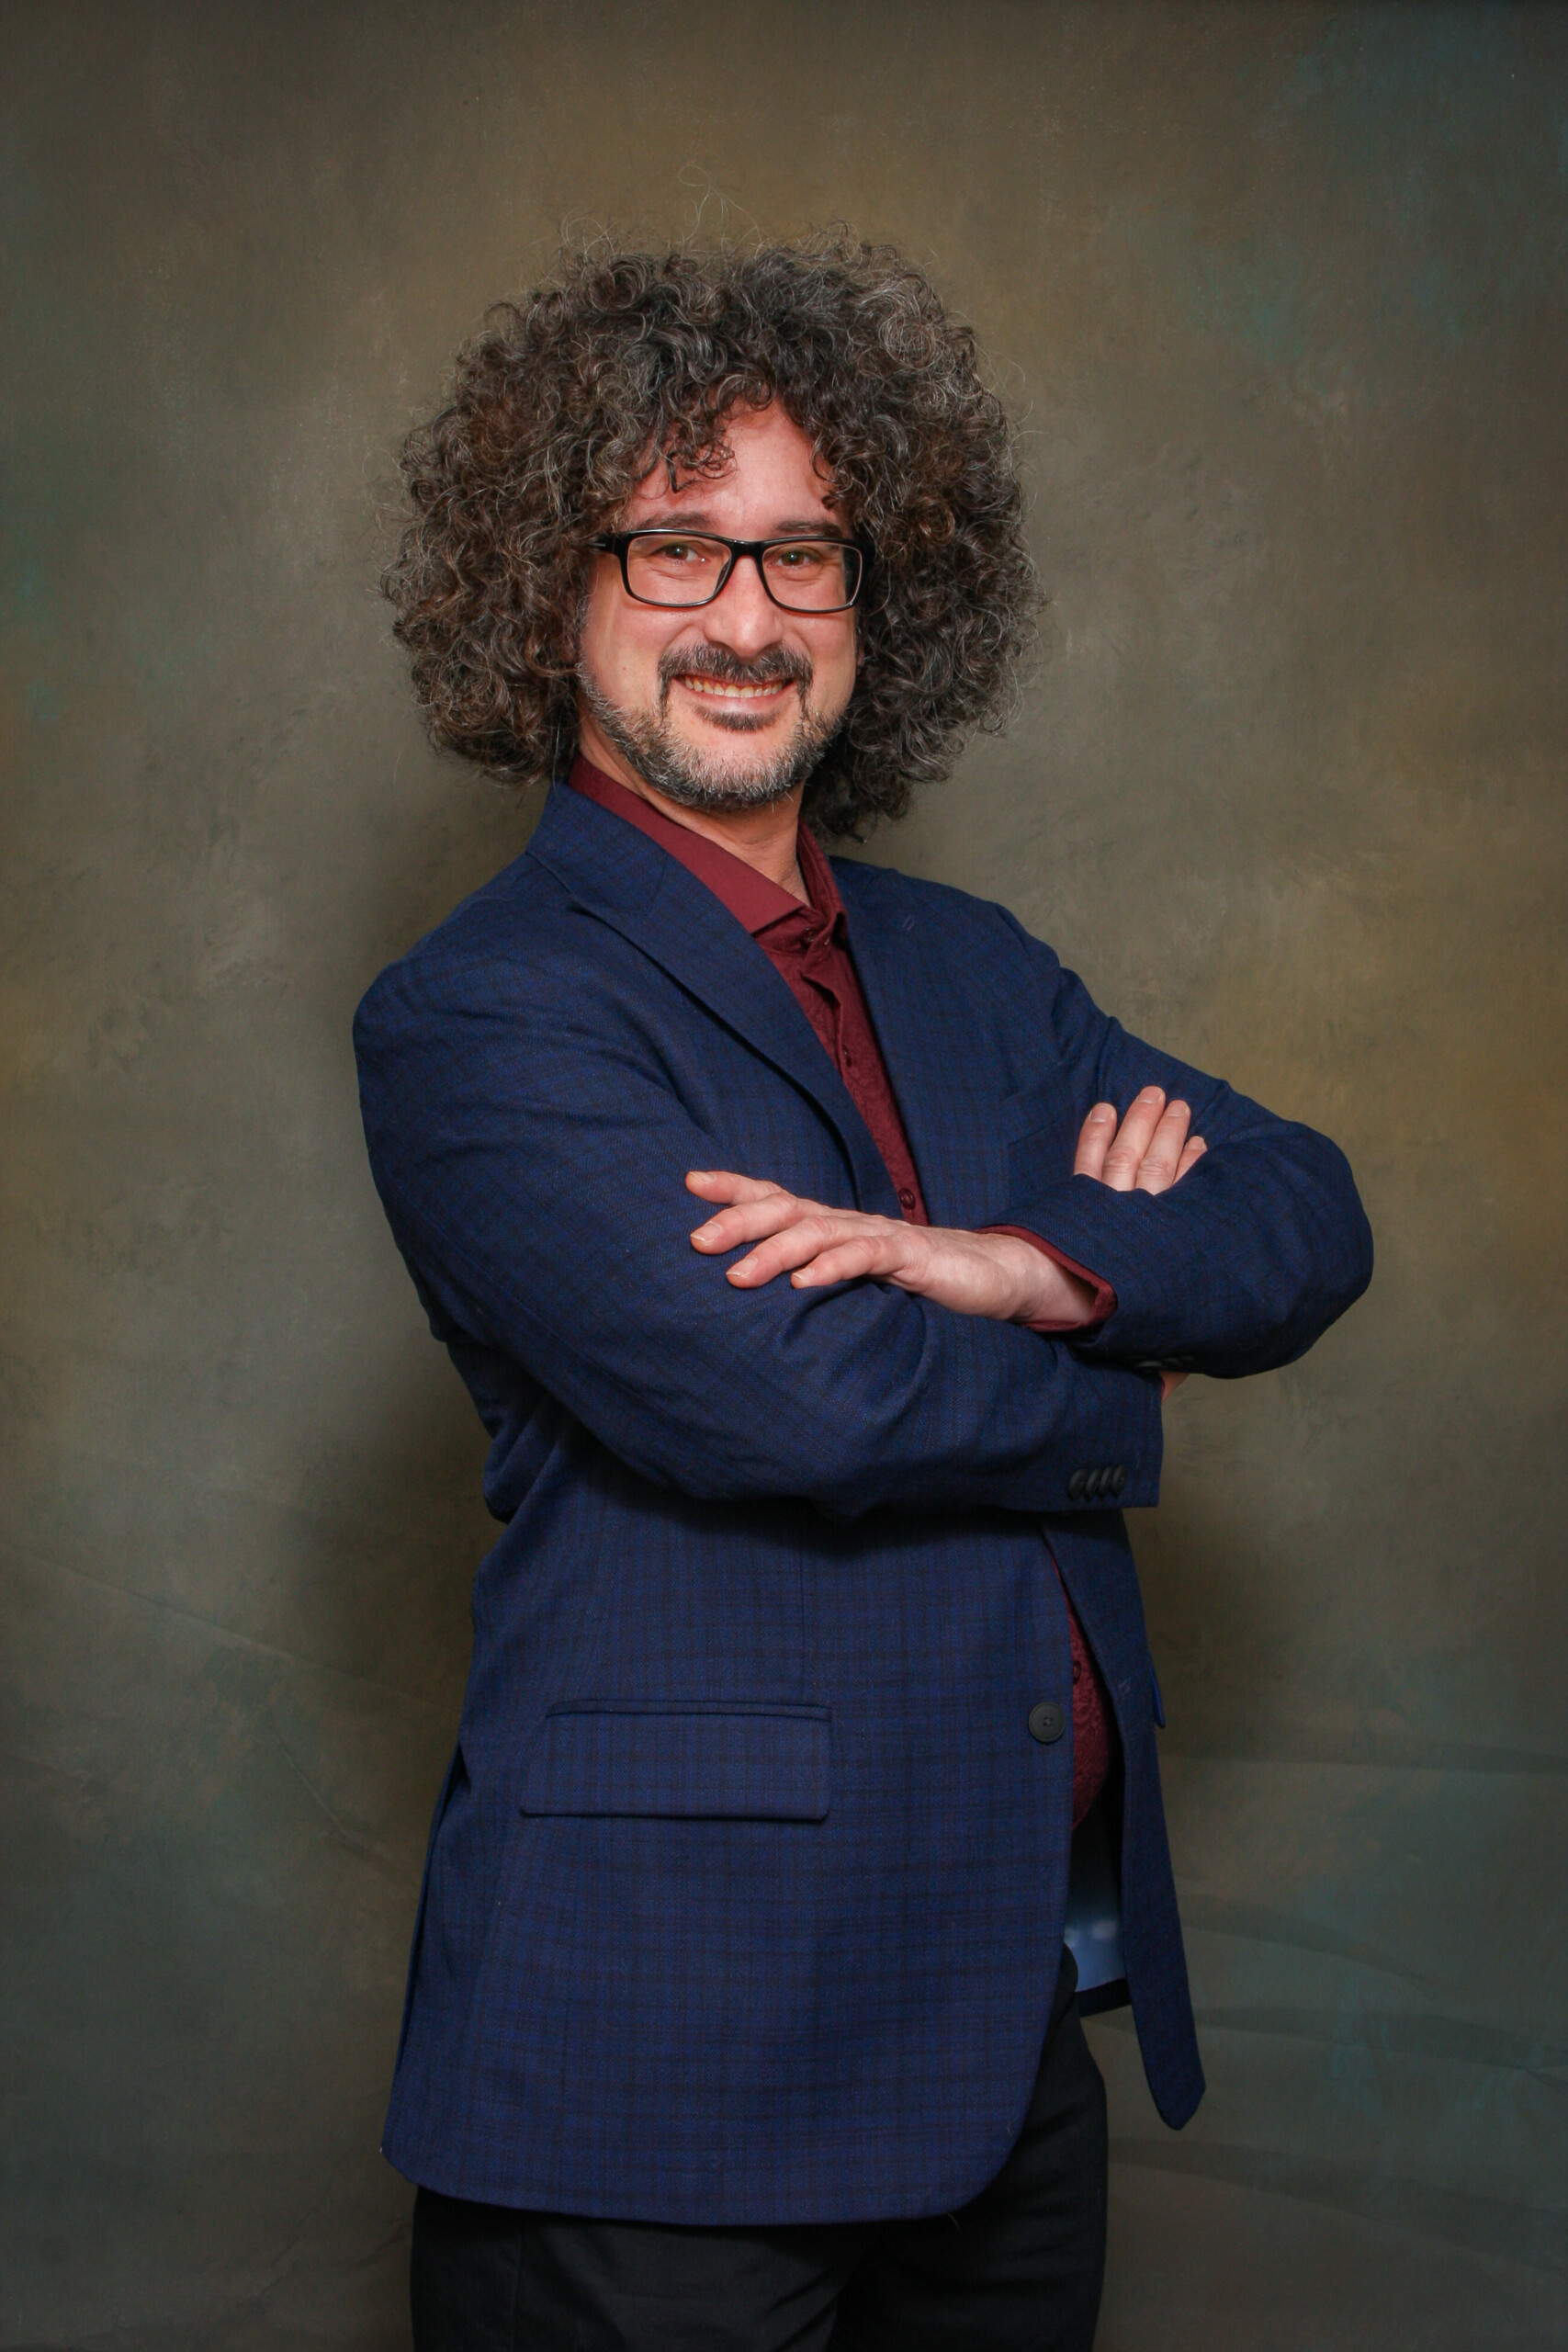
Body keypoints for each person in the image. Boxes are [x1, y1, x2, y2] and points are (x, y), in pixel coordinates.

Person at [355, 239, 1372, 2350]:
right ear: (546, 591)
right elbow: (798, 1393)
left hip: (998, 2035)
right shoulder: (484, 1013)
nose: (746, 616)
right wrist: (1122, 1365)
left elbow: (1301, 1208)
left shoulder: (973, 966)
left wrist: (1028, 1260)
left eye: (802, 552)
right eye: (675, 546)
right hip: (657, 2072)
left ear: (873, 594)